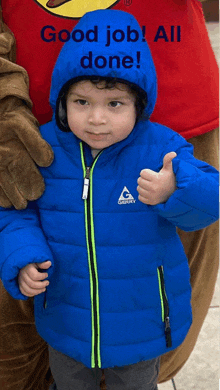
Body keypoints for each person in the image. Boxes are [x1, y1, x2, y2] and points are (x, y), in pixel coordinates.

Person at [0, 1, 218, 389]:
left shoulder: (161, 148)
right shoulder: (46, 148)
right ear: (61, 101)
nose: (97, 119)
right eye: (82, 102)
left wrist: (176, 188)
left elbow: (210, 201)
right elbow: (17, 212)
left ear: (140, 104)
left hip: (140, 327)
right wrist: (22, 256)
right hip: (66, 322)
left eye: (115, 104)